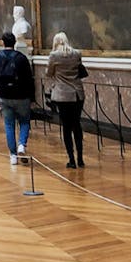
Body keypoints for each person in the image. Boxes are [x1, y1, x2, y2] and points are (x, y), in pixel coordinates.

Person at [0, 32, 35, 165]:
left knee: (9, 125)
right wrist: (32, 98)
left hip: (5, 95)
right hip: (22, 95)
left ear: (3, 43)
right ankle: (22, 144)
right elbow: (29, 79)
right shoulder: (21, 58)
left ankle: (13, 155)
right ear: (14, 42)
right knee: (25, 122)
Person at [45, 32, 84, 168]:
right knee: (77, 125)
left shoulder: (54, 56)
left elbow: (48, 73)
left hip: (62, 95)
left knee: (66, 127)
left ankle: (71, 159)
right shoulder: (77, 53)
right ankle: (80, 158)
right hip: (77, 94)